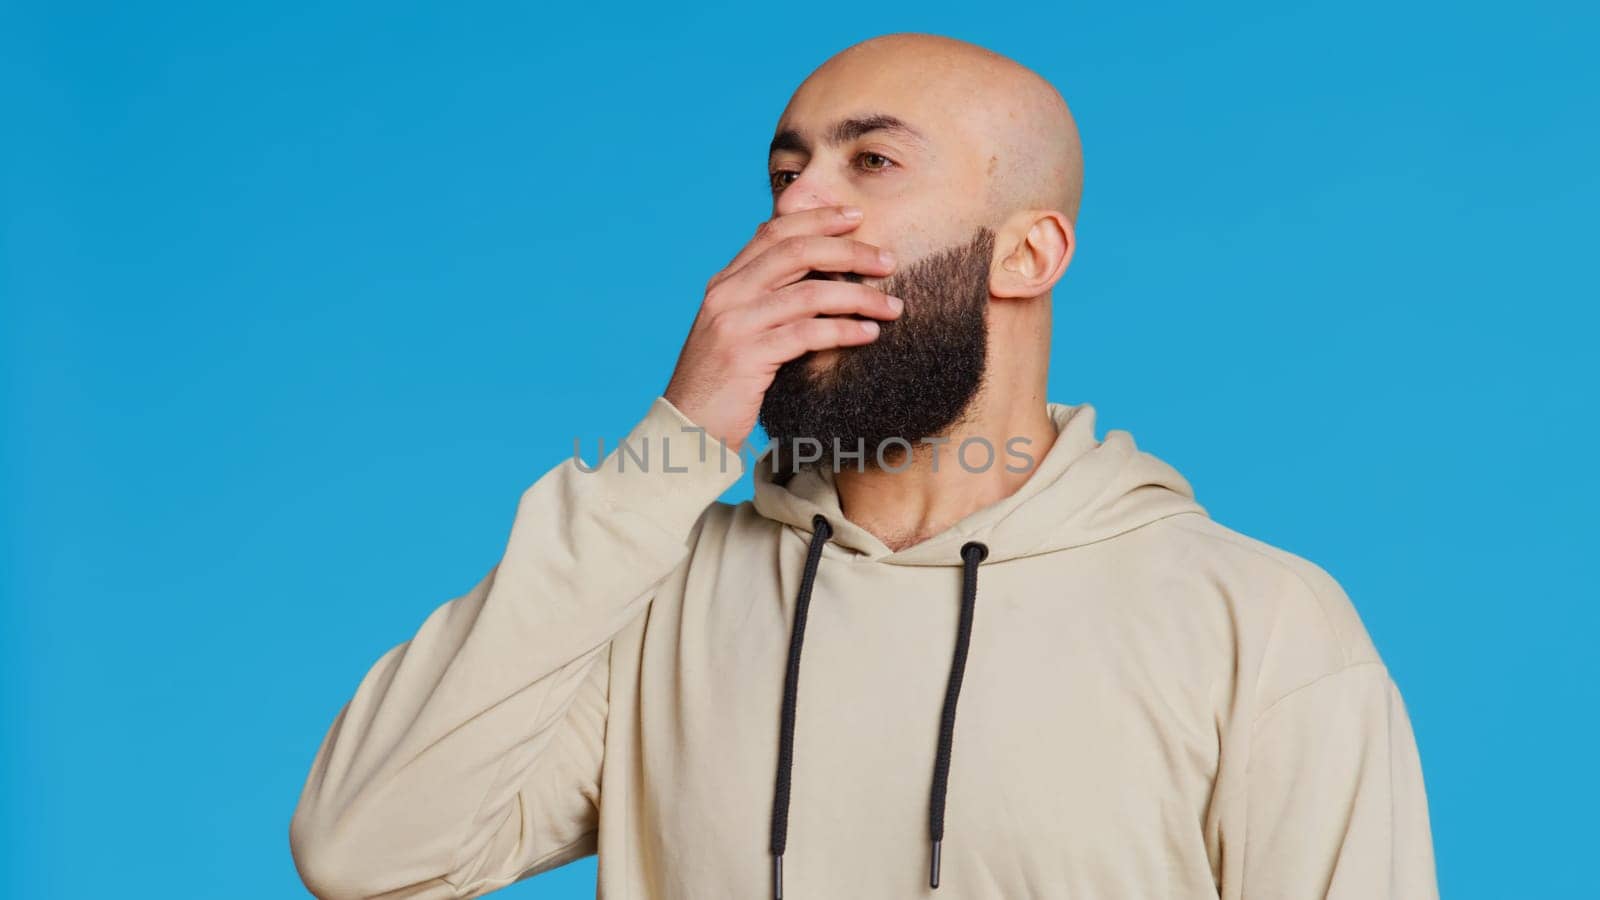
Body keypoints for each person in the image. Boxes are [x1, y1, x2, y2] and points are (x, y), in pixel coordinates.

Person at [288, 32, 1439, 900]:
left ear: (1027, 254)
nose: (800, 214)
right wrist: (676, 442)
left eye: (871, 162)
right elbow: (365, 850)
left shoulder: (1258, 623)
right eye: (785, 175)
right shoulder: (655, 601)